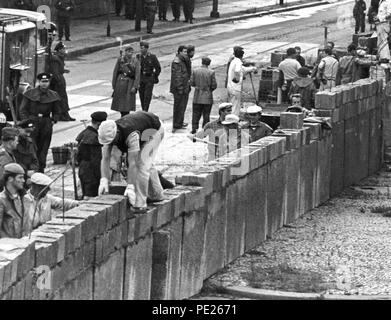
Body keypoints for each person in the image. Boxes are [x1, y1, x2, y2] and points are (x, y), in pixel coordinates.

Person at [98, 111, 165, 213]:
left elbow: (133, 163)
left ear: (117, 135)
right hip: (142, 125)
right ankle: (157, 195)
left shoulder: (131, 135)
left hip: (153, 131)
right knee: (146, 164)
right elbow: (105, 158)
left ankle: (140, 204)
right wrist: (104, 179)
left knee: (142, 163)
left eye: (111, 142)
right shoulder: (107, 134)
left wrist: (130, 186)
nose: (110, 144)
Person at [19, 73, 61, 173]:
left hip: (46, 123)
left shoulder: (53, 95)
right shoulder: (30, 93)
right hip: (32, 122)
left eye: (46, 82)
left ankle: (41, 168)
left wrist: (53, 120)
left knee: (44, 147)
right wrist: (27, 121)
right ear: (39, 82)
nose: (44, 84)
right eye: (42, 82)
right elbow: (23, 110)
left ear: (49, 82)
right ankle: (32, 168)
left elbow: (57, 111)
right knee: (32, 145)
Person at [76, 111, 108, 199]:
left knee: (85, 192)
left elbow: (78, 156)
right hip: (91, 172)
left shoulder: (84, 133)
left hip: (83, 168)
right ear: (99, 124)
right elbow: (96, 161)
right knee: (90, 196)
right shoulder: (94, 138)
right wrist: (102, 177)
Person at [0, 163, 29, 238]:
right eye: (20, 178)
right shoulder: (2, 200)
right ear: (10, 179)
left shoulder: (24, 198)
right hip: (9, 247)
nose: (23, 180)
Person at [111, 45, 141, 117]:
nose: (130, 53)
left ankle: (125, 117)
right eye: (129, 52)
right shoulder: (120, 60)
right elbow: (115, 72)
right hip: (120, 83)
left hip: (129, 84)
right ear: (125, 52)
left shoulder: (135, 61)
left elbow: (137, 74)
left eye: (132, 52)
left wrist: (135, 86)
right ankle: (123, 116)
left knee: (127, 104)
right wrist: (114, 84)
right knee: (120, 104)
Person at [190, 57, 217, 134]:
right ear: (209, 63)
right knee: (206, 114)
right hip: (207, 96)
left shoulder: (195, 71)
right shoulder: (211, 72)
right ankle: (205, 130)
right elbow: (214, 85)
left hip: (197, 96)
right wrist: (209, 90)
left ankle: (194, 129)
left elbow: (191, 82)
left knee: (195, 114)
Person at [227, 46, 257, 115]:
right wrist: (237, 78)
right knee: (236, 106)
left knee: (232, 104)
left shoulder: (234, 61)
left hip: (230, 87)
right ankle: (234, 120)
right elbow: (238, 71)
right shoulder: (238, 62)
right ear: (242, 55)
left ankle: (231, 117)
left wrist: (252, 68)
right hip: (235, 88)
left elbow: (242, 69)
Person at [49, 42, 75, 121]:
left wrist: (64, 70)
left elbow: (59, 69)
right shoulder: (55, 58)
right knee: (60, 98)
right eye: (63, 49)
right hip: (58, 81)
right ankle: (61, 115)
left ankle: (65, 114)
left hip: (60, 79)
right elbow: (55, 71)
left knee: (63, 97)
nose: (64, 50)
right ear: (59, 50)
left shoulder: (60, 58)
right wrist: (58, 81)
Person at [170, 45, 191, 132]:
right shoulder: (177, 61)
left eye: (186, 52)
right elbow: (177, 77)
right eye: (184, 52)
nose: (186, 54)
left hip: (184, 87)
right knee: (178, 106)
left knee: (183, 106)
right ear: (179, 52)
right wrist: (180, 88)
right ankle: (177, 124)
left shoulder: (184, 60)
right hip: (180, 89)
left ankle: (180, 122)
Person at [137, 41, 161, 112]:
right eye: (140, 48)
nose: (141, 50)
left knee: (147, 96)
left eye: (142, 48)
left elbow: (158, 68)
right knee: (141, 95)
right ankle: (143, 109)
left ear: (146, 49)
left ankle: (145, 110)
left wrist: (154, 76)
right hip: (141, 79)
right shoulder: (138, 57)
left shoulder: (152, 57)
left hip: (149, 79)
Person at [375, 0, 391, 82]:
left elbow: (389, 14)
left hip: (385, 24)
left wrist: (382, 18)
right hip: (381, 25)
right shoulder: (381, 2)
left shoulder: (388, 2)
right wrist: (377, 18)